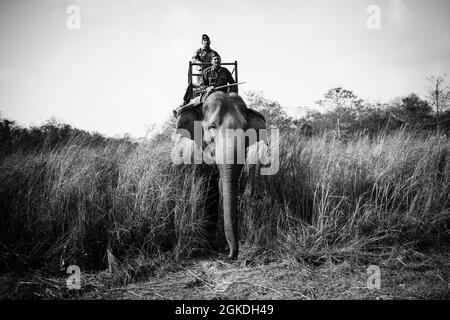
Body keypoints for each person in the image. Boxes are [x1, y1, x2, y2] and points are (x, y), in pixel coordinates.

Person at [181, 34, 220, 105]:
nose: (206, 42)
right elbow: (193, 59)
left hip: (210, 76)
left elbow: (218, 59)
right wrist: (199, 63)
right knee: (190, 86)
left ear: (210, 42)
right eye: (204, 40)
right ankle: (184, 103)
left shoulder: (213, 52)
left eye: (207, 40)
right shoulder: (198, 51)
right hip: (201, 76)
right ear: (202, 42)